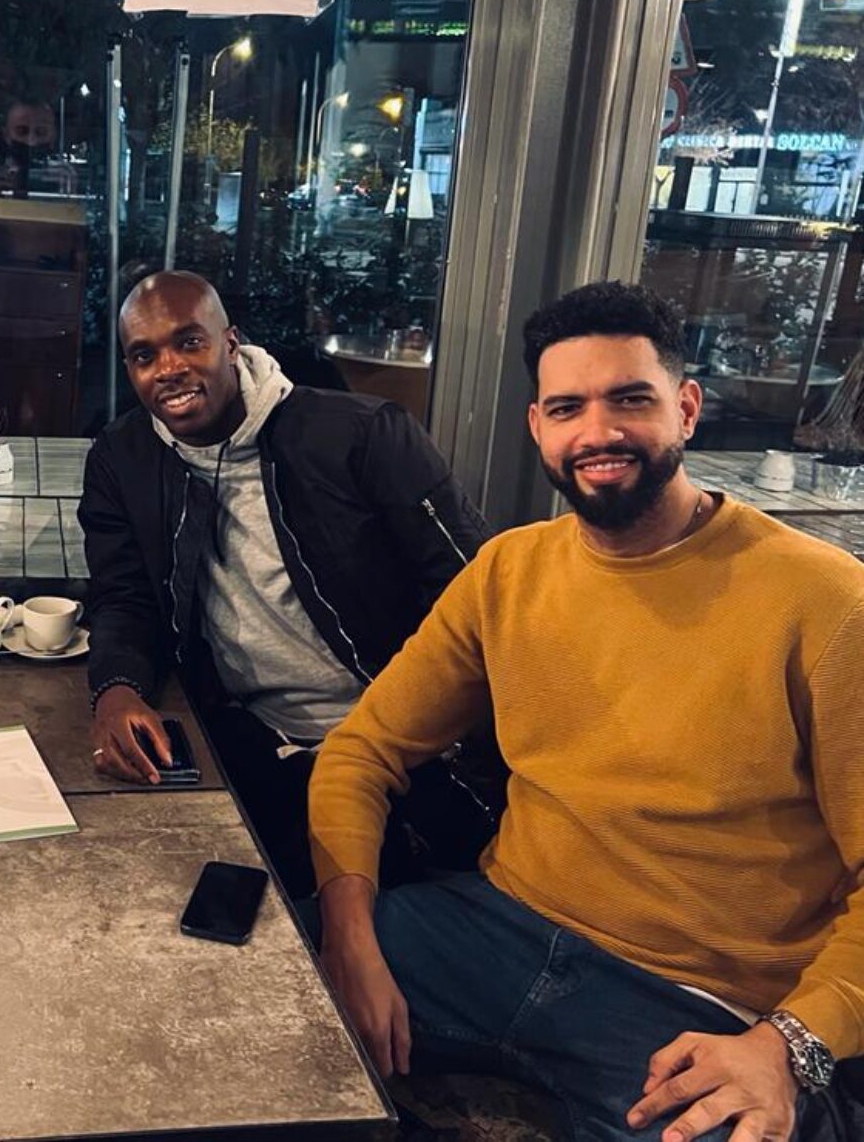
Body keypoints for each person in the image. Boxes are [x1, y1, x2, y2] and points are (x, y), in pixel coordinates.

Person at [310, 281, 863, 1140]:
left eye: (630, 399)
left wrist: (787, 1046)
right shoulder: (509, 571)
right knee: (259, 1004)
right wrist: (349, 935)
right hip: (494, 933)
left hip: (698, 1003)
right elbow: (360, 752)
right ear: (538, 426)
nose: (598, 432)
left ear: (686, 409)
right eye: (568, 407)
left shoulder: (827, 603)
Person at [78, 271, 495, 904]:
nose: (168, 369)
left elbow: (476, 597)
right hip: (258, 743)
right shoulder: (124, 458)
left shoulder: (363, 435)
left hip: (406, 749)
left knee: (412, 922)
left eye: (189, 342)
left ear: (231, 344)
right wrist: (115, 690)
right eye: (144, 355)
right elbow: (124, 595)